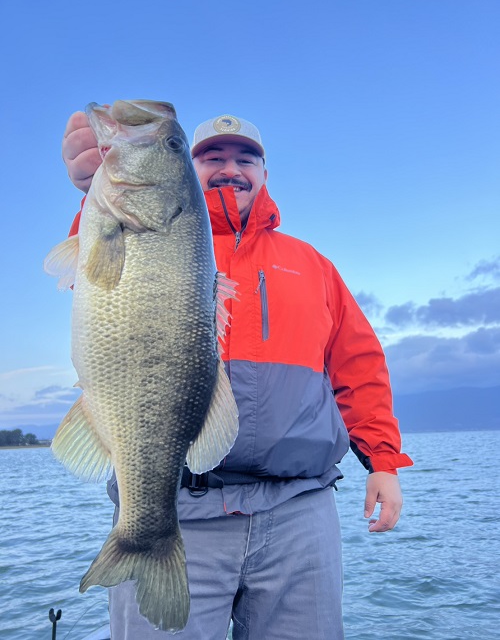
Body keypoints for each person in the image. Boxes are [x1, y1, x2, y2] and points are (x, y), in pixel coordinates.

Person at [62, 109, 413, 640]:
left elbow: (358, 365)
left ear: (265, 173)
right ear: (190, 172)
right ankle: (143, 538)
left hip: (299, 511)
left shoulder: (313, 264)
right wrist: (93, 195)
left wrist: (383, 462)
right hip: (178, 506)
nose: (231, 169)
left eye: (246, 159)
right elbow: (95, 273)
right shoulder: (140, 232)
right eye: (211, 157)